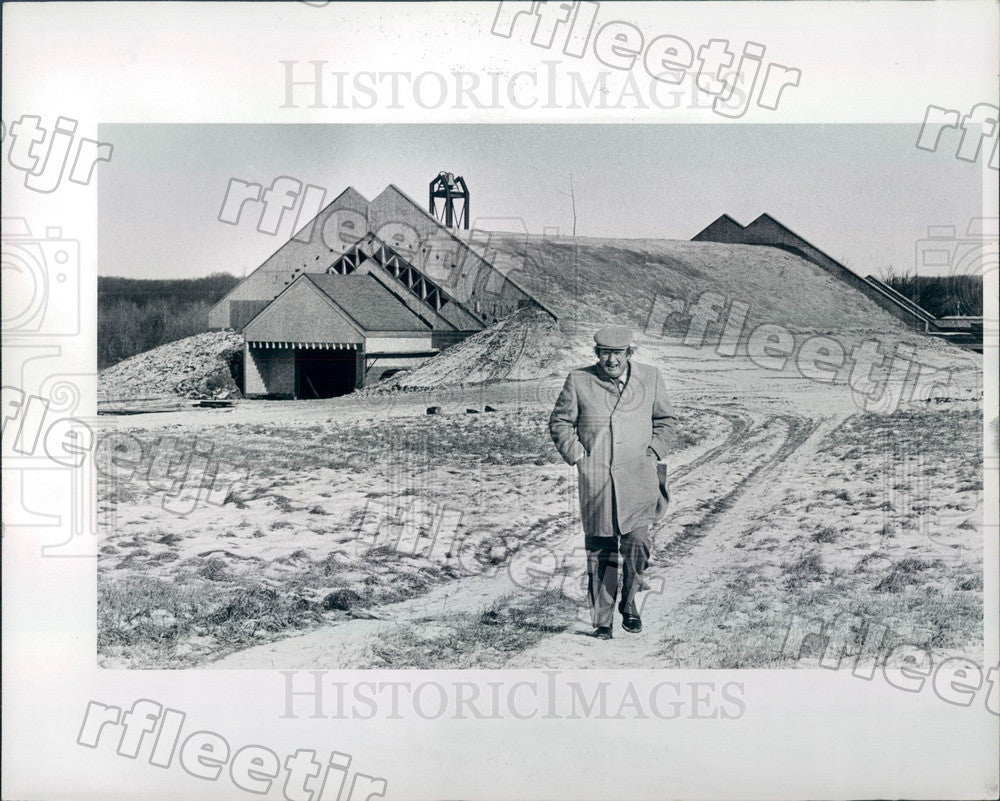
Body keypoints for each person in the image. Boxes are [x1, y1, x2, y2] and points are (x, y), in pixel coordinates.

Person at [548, 326, 677, 639]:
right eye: (605, 353)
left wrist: (653, 451)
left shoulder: (650, 377)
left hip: (639, 478)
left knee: (638, 545)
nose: (611, 360)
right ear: (597, 354)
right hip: (598, 483)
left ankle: (629, 602)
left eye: (617, 353)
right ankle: (603, 620)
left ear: (628, 354)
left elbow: (666, 421)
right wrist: (580, 457)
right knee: (602, 552)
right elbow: (560, 423)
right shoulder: (579, 381)